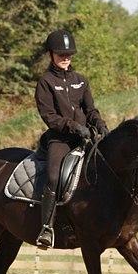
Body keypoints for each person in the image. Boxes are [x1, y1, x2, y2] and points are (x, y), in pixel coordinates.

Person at [34, 29, 109, 249]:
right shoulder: (45, 82)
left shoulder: (81, 81)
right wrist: (74, 126)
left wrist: (100, 124)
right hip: (60, 139)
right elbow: (49, 116)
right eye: (60, 54)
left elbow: (91, 109)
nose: (65, 58)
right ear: (51, 55)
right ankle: (46, 228)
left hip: (86, 137)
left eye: (68, 55)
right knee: (54, 176)